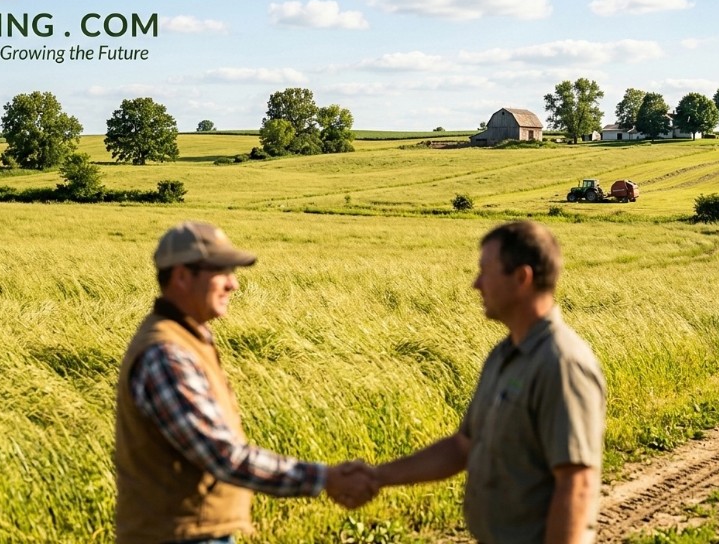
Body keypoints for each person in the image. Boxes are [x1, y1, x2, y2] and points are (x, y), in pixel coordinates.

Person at [114, 221, 376, 544]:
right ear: (182, 276)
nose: (233, 285)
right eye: (221, 272)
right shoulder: (167, 355)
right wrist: (325, 478)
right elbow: (222, 455)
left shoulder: (186, 339)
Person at [373, 220, 606, 544]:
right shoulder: (503, 355)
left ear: (522, 278)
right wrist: (377, 476)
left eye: (485, 271)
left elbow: (576, 485)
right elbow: (462, 446)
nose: (476, 284)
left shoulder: (562, 364)